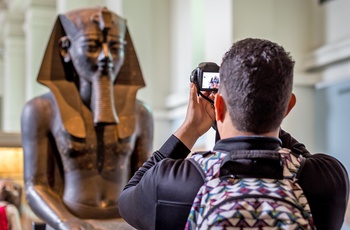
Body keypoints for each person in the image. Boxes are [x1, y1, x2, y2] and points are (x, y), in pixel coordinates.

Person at [118, 38, 349, 229]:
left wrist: (189, 130)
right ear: (287, 107)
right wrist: (266, 110)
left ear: (218, 106)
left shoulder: (171, 182)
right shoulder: (329, 179)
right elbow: (302, 158)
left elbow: (127, 197)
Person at [21, 7, 153, 230]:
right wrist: (64, 220)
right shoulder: (41, 110)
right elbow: (36, 185)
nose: (105, 57)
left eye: (114, 47)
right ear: (66, 49)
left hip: (126, 222)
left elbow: (144, 181)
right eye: (92, 46)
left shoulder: (141, 113)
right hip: (70, 220)